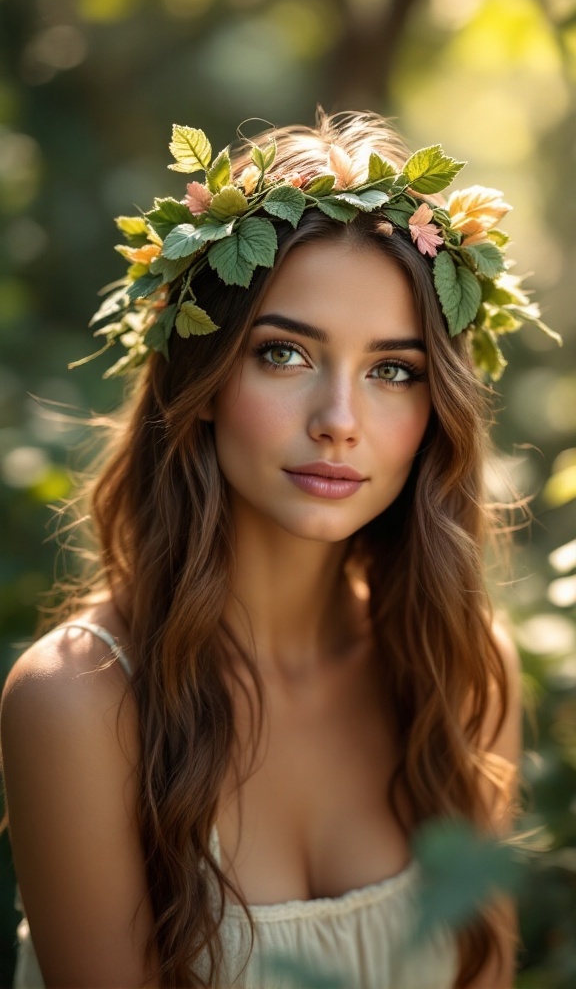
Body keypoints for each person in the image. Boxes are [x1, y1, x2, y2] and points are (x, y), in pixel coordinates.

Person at [1, 108, 555, 989]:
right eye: (286, 354)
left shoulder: (459, 673)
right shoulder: (77, 705)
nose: (339, 421)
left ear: (434, 409)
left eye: (393, 370)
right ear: (206, 377)